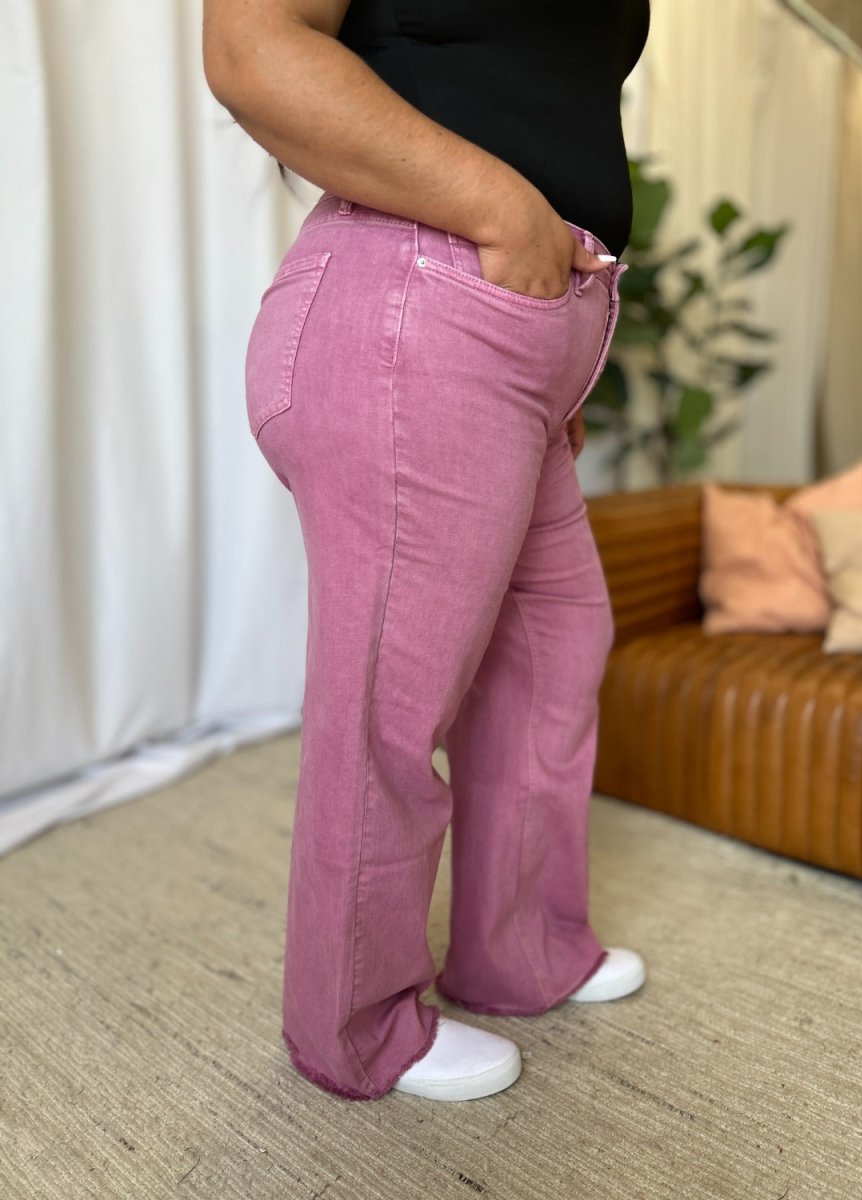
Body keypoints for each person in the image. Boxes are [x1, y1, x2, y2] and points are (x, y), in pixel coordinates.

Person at [202, 0, 651, 1103]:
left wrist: (556, 360)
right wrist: (502, 207)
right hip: (414, 308)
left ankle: (521, 952)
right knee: (392, 706)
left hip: (513, 345)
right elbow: (252, 48)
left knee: (552, 649)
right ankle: (354, 1027)